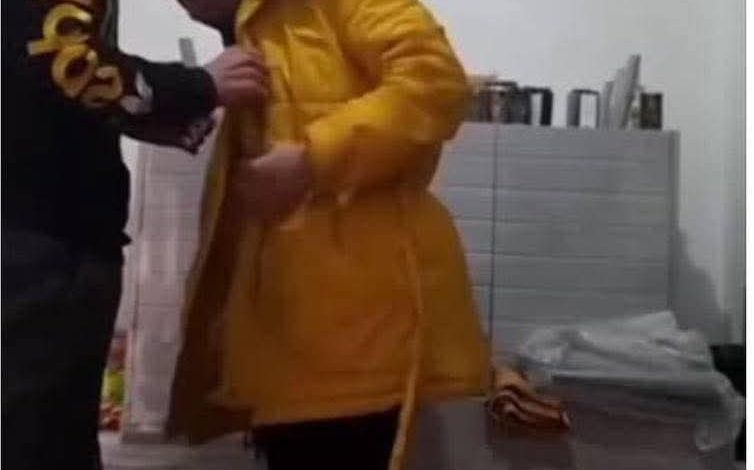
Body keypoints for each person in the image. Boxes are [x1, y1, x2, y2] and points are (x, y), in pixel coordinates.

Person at [167, 0, 490, 469]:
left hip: (357, 344)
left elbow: (435, 82)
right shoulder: (257, 27)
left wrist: (311, 162)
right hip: (293, 346)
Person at [1, 0, 270, 468]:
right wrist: (199, 84)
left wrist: (152, 115)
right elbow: (66, 58)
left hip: (45, 233)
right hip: (44, 235)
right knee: (38, 434)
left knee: (47, 431)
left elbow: (39, 75)